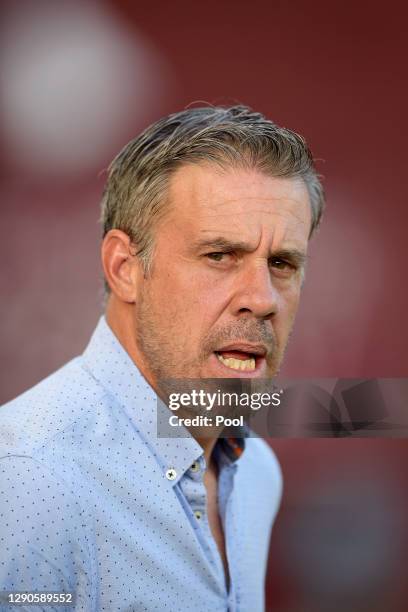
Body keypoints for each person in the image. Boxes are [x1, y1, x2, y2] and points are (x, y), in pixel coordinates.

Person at [0, 105, 324, 611]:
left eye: (282, 263)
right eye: (220, 255)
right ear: (125, 268)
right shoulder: (28, 479)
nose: (262, 298)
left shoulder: (255, 471)